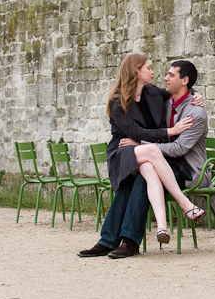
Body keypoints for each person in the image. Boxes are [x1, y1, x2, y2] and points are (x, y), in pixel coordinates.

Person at [78, 54, 206, 259]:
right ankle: (183, 206)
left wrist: (196, 94)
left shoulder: (152, 93)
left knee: (139, 178)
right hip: (123, 150)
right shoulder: (117, 101)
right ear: (137, 72)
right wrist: (171, 131)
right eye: (148, 68)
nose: (155, 72)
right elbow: (136, 133)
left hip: (145, 150)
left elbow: (182, 88)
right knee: (145, 166)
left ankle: (113, 241)